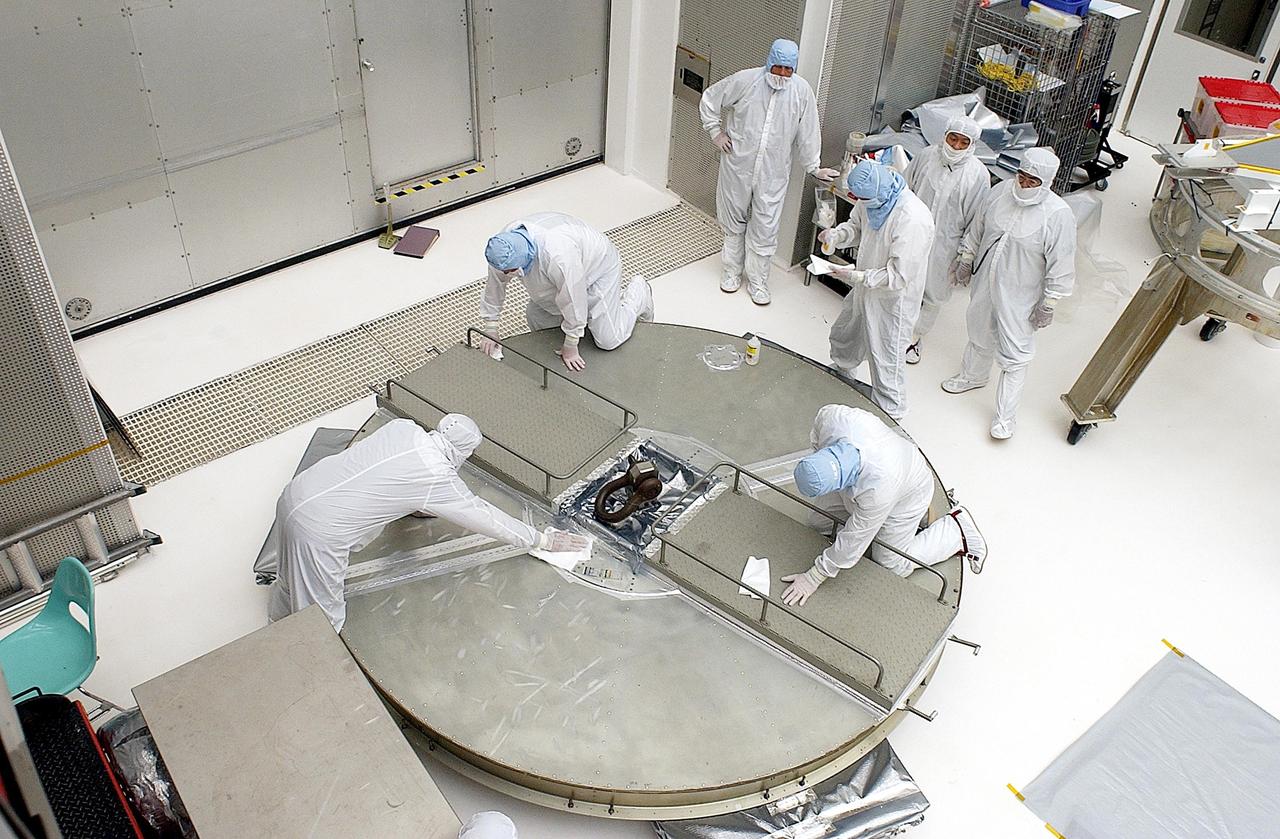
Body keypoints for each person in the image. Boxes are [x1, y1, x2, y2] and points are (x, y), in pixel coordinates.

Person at [267, 415, 586, 632]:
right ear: (463, 452)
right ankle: (308, 674)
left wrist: (417, 504)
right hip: (320, 532)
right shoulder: (437, 475)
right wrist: (541, 540)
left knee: (288, 577)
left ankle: (275, 625)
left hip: (296, 494)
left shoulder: (402, 428)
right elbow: (486, 517)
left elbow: (383, 472)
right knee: (323, 620)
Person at [779, 404, 987, 607]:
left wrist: (814, 577)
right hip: (892, 465)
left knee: (891, 564)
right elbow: (819, 426)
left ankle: (955, 531)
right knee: (818, 523)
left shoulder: (879, 489)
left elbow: (855, 539)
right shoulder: (835, 420)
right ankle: (917, 519)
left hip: (907, 495)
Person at [941, 147, 1076, 439]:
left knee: (1015, 353)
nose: (1024, 185)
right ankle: (973, 375)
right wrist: (966, 257)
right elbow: (978, 227)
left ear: (1047, 182)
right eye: (1022, 177)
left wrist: (1049, 301)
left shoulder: (1057, 215)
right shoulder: (1001, 191)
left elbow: (1061, 262)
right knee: (978, 329)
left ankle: (1005, 417)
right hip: (986, 283)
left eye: (1032, 182)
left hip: (1021, 296)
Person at [700, 38, 839, 305]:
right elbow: (710, 99)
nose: (783, 75)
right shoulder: (746, 81)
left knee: (765, 227)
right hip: (737, 166)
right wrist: (715, 132)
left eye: (789, 69)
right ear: (769, 62)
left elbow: (808, 131)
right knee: (733, 223)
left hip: (773, 173)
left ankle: (757, 281)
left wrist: (813, 166)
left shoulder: (801, 92)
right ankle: (731, 271)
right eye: (778, 68)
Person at [818, 160, 935, 420]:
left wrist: (858, 275)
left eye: (862, 198)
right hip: (865, 288)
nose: (859, 201)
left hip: (893, 301)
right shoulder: (873, 195)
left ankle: (891, 415)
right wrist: (837, 236)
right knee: (847, 333)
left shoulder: (912, 219)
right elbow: (857, 226)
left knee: (886, 359)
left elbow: (898, 276)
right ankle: (842, 373)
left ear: (877, 194)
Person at [478, 212, 654, 372]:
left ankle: (639, 293)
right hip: (566, 272)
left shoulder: (558, 254)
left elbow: (573, 298)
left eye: (510, 271)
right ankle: (582, 324)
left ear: (522, 260)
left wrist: (571, 344)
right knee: (537, 317)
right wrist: (491, 327)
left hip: (597, 271)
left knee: (609, 339)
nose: (507, 275)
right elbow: (495, 284)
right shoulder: (503, 247)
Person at [903, 115, 991, 364]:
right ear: (945, 136)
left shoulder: (978, 176)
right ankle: (893, 326)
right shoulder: (927, 156)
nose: (956, 146)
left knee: (933, 292)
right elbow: (905, 187)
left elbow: (976, 220)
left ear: (972, 145)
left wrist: (966, 256)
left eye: (964, 142)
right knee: (903, 279)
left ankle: (914, 337)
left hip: (946, 245)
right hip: (912, 233)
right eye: (953, 139)